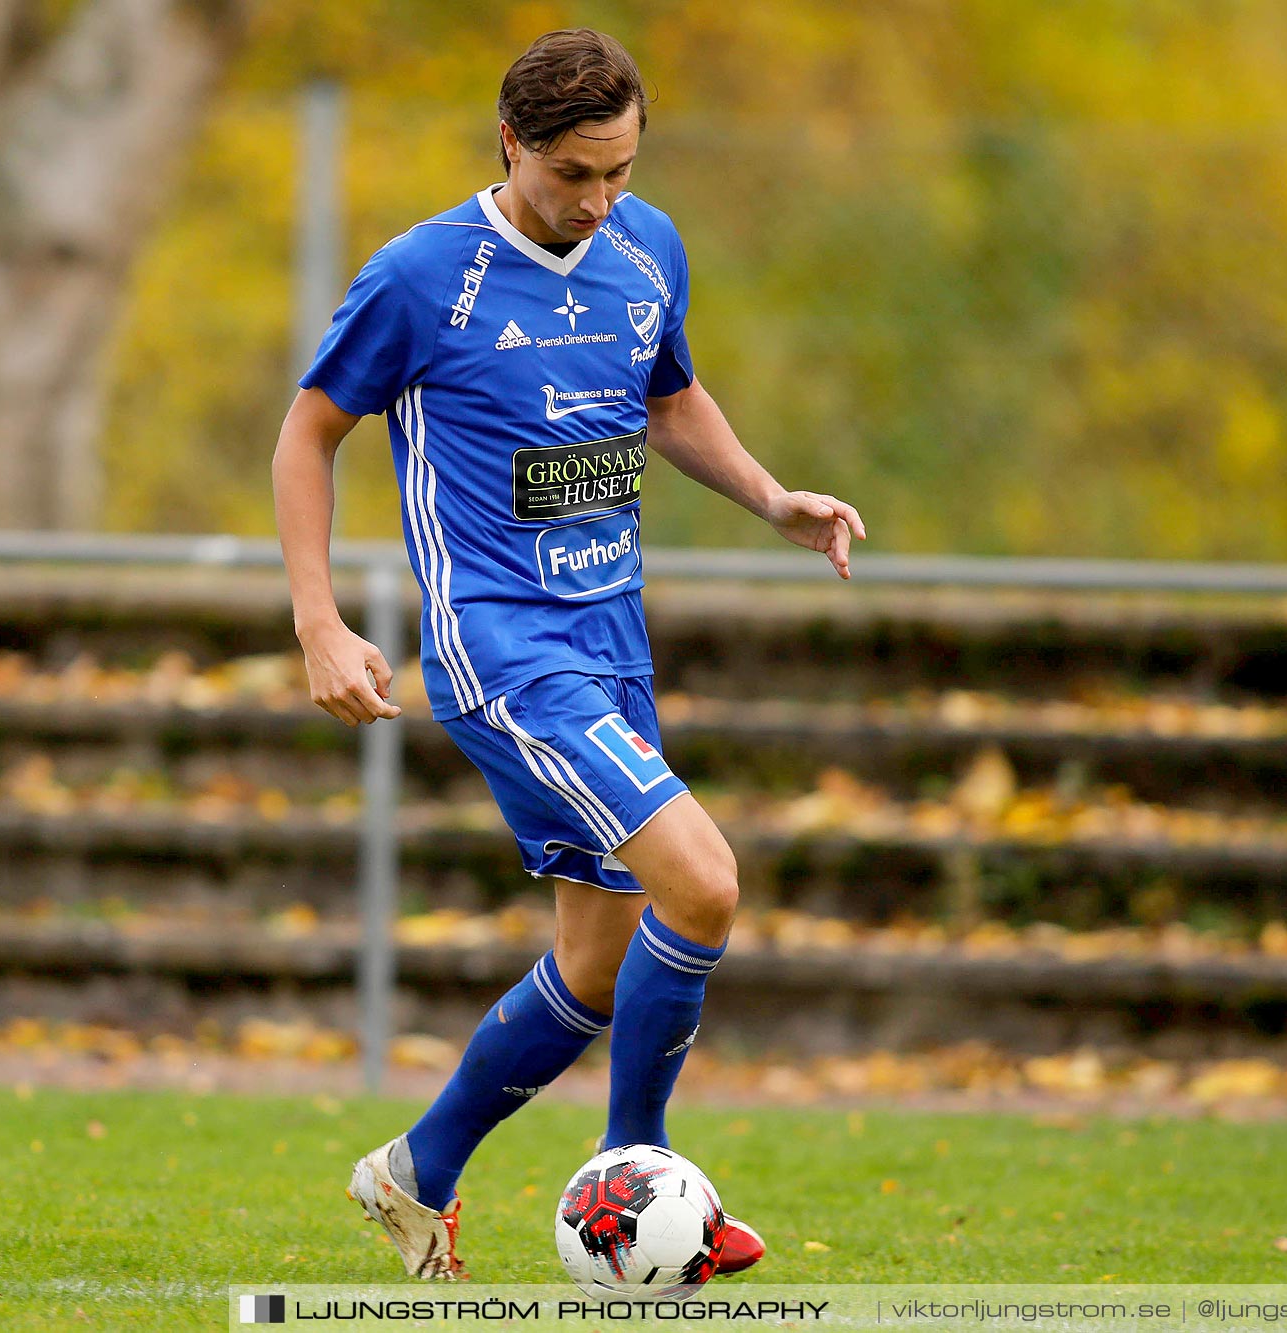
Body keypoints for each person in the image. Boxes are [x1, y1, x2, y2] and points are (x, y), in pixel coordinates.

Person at [271, 28, 864, 1281]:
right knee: (701, 883)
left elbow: (666, 397)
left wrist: (772, 497)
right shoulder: (420, 276)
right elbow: (307, 433)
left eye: (621, 172)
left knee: (596, 960)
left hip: (611, 638)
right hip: (503, 649)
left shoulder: (649, 246)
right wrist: (320, 620)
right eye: (573, 176)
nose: (598, 201)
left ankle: (416, 1172)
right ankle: (639, 1185)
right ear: (511, 143)